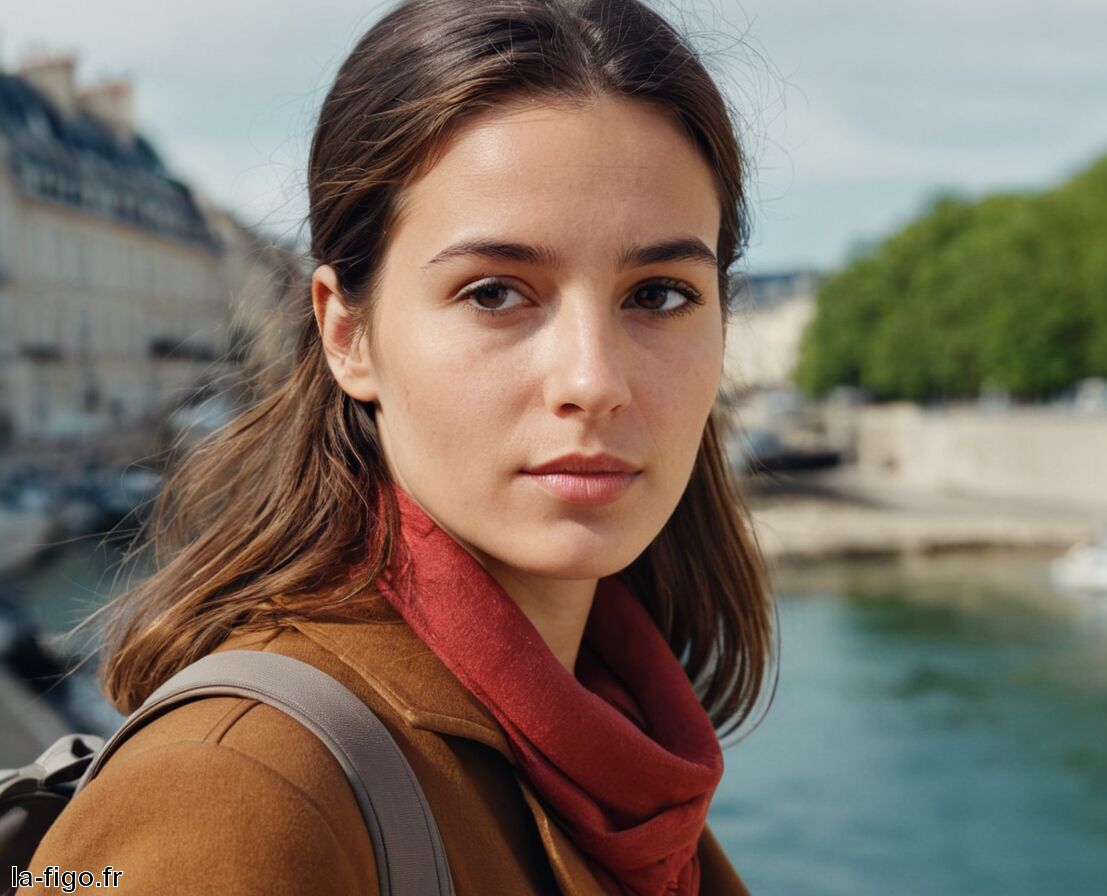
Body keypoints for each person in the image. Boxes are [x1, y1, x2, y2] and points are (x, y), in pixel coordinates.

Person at [26, 0, 772, 892]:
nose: (593, 380)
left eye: (658, 295)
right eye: (496, 292)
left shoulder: (624, 749)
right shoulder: (232, 790)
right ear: (349, 335)